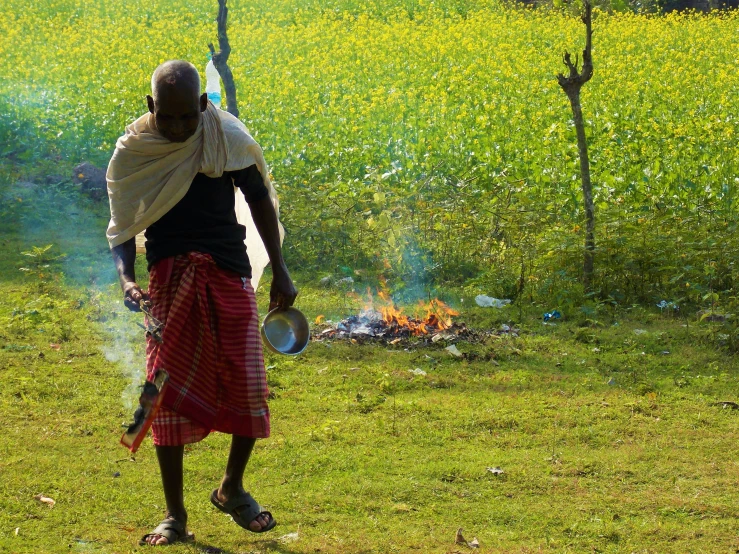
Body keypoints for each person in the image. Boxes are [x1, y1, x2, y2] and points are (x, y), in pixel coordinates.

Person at [107, 60, 297, 546]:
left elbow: (258, 201)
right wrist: (128, 280)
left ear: (203, 106)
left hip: (228, 273)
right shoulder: (134, 152)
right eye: (166, 118)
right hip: (170, 280)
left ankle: (231, 487)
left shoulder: (225, 138)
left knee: (251, 384)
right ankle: (175, 516)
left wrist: (280, 267)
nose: (176, 128)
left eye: (186, 118)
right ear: (151, 108)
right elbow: (124, 228)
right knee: (163, 392)